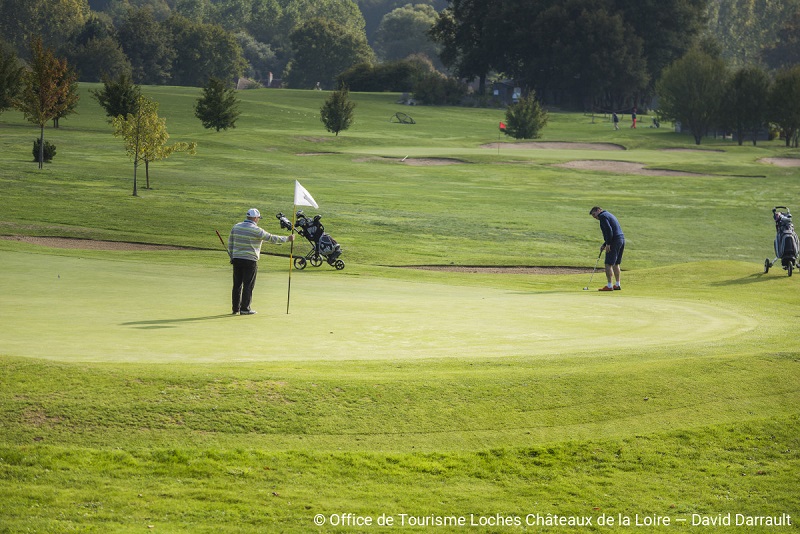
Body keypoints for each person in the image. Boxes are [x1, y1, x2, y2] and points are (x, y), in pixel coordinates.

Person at [228, 208, 295, 315]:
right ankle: (245, 309)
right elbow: (272, 238)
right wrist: (287, 239)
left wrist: (232, 256)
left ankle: (235, 309)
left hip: (237, 259)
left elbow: (230, 243)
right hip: (250, 260)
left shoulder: (236, 227)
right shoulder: (256, 230)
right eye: (258, 218)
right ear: (255, 218)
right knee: (248, 285)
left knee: (237, 285)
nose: (258, 220)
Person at [589, 206, 625, 291]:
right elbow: (612, 232)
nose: (595, 217)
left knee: (608, 264)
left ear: (599, 210)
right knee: (616, 263)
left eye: (594, 214)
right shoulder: (608, 214)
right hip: (621, 239)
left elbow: (609, 231)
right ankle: (617, 284)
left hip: (614, 241)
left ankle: (609, 286)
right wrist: (605, 244)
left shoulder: (602, 216)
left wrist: (608, 243)